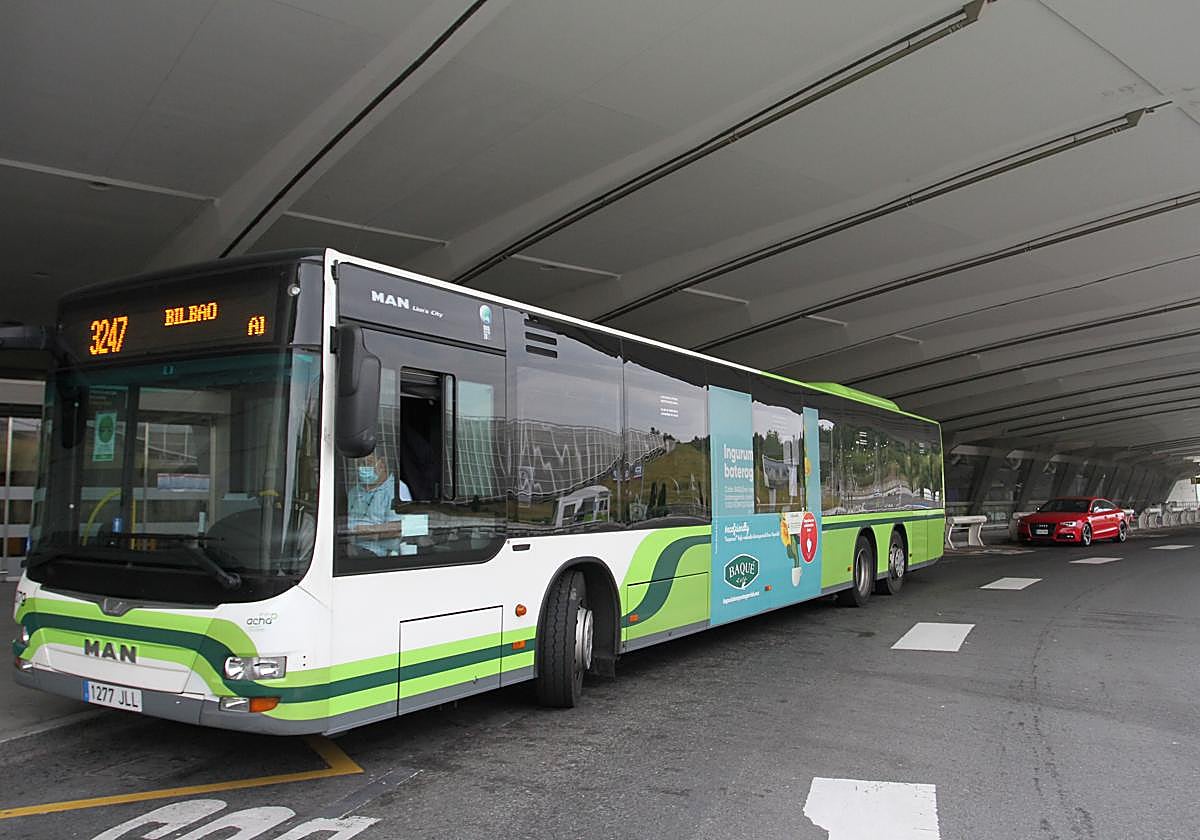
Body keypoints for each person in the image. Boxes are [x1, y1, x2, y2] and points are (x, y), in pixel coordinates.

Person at [346, 449, 412, 554]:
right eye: (360, 464)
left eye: (368, 463)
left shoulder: (397, 489)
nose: (362, 468)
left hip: (378, 554)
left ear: (382, 464)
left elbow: (399, 527)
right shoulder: (354, 492)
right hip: (349, 547)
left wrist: (366, 531)